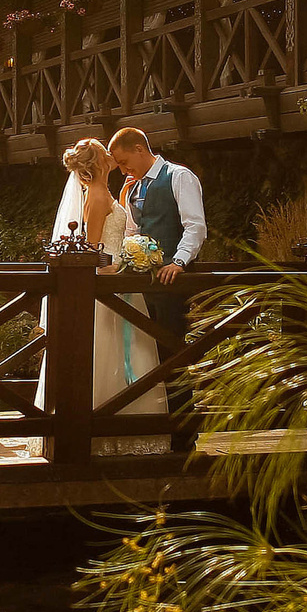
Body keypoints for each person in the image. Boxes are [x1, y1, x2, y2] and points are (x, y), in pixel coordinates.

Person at [36, 139, 166, 415]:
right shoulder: (95, 195)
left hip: (118, 283)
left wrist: (132, 254)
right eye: (105, 152)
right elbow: (91, 249)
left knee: (128, 348)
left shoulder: (104, 192)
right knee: (108, 351)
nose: (111, 155)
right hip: (108, 285)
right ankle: (101, 418)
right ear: (98, 162)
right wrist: (119, 264)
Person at [104, 128, 204, 450]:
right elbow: (134, 229)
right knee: (147, 355)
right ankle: (157, 427)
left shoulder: (179, 177)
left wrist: (179, 261)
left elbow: (195, 225)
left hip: (171, 283)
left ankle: (184, 434)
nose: (122, 170)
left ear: (138, 148)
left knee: (174, 353)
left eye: (124, 162)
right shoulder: (133, 187)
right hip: (141, 286)